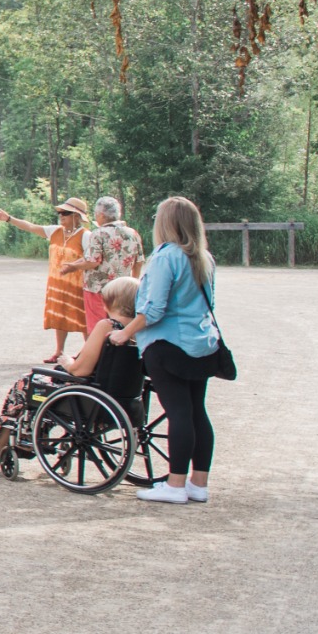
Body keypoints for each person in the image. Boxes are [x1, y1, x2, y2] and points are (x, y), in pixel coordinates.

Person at [0, 276, 144, 473]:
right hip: (121, 398)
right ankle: (24, 441)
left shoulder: (108, 326)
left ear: (110, 301)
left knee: (25, 384)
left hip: (86, 394)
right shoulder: (139, 330)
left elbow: (80, 370)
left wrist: (67, 361)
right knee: (42, 386)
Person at [119, 196, 227, 506]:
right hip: (202, 343)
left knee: (178, 413)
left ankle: (175, 484)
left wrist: (124, 333)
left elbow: (153, 309)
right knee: (197, 412)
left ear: (165, 224)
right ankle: (198, 483)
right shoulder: (205, 258)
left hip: (168, 346)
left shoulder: (166, 257)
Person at [0, 197, 90, 360]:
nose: (61, 216)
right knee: (59, 315)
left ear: (76, 216)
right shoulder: (56, 231)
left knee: (83, 318)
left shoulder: (86, 236)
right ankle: (59, 351)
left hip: (78, 284)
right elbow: (30, 227)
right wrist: (9, 219)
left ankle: (88, 352)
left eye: (66, 213)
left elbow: (90, 258)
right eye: (60, 212)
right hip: (57, 283)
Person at [69, 196, 143, 336]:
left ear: (101, 215)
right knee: (120, 326)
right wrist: (133, 282)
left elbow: (93, 262)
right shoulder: (132, 233)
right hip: (122, 290)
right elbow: (139, 261)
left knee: (98, 327)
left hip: (97, 288)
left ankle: (99, 355)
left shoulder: (98, 233)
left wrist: (73, 267)